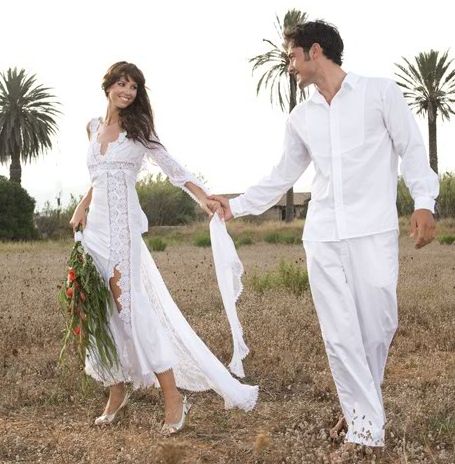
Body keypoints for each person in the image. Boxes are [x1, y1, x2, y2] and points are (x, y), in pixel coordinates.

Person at [209, 20, 439, 449]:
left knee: (377, 327)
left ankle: (358, 406)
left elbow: (411, 149)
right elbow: (283, 174)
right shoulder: (300, 117)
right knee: (339, 334)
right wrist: (235, 205)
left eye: (292, 56)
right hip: (323, 237)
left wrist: (424, 201)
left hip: (374, 231)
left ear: (315, 52)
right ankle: (364, 428)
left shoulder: (380, 93)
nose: (289, 64)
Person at [69, 61, 258, 434]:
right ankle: (117, 389)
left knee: (131, 309)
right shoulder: (92, 127)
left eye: (134, 87)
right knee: (100, 310)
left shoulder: (139, 132)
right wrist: (81, 204)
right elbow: (99, 176)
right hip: (94, 232)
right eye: (122, 84)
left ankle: (172, 394)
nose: (127, 91)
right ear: (107, 86)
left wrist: (204, 197)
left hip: (123, 231)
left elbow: (174, 169)